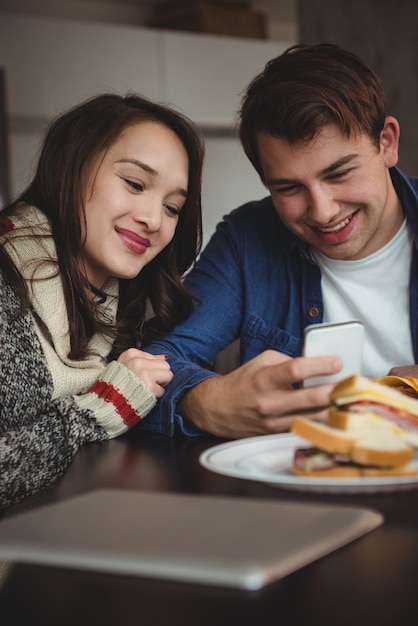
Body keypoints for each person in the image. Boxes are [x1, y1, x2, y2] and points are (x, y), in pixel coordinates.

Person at [142, 42, 418, 440]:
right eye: (288, 188)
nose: (322, 211)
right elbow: (154, 362)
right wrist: (206, 400)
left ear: (386, 143)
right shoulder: (247, 238)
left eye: (339, 173)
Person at [0, 93, 204, 508]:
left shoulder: (126, 301)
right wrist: (97, 411)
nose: (153, 220)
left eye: (172, 207)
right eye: (134, 184)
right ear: (72, 166)